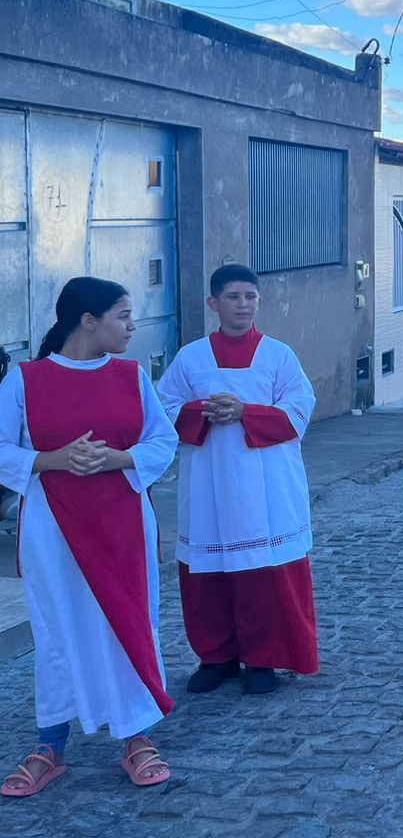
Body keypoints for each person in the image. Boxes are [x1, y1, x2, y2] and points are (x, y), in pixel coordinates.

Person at [1, 277, 178, 797]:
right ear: (88, 321)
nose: (132, 326)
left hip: (123, 524)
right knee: (56, 626)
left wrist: (120, 458)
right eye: (123, 316)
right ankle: (50, 745)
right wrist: (51, 459)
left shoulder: (132, 376)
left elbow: (162, 440)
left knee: (128, 621)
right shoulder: (25, 380)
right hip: (53, 527)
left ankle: (137, 736)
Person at [156, 265, 319, 699]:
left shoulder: (278, 355)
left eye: (250, 296)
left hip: (266, 483)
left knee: (263, 574)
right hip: (208, 481)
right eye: (233, 297)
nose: (243, 305)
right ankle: (217, 657)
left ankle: (262, 658)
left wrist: (246, 411)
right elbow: (163, 407)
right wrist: (203, 411)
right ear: (214, 303)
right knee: (207, 573)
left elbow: (299, 409)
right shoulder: (190, 357)